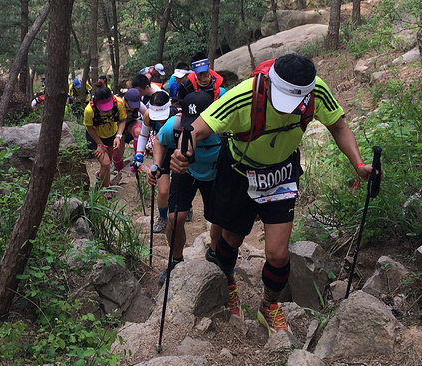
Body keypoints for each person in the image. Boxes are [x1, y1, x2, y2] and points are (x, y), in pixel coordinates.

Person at [171, 53, 375, 333]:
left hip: (281, 171)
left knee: (278, 255)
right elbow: (198, 127)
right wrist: (185, 149)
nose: (289, 110)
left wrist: (359, 163)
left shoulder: (317, 92)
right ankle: (228, 283)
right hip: (240, 171)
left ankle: (270, 306)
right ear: (270, 83)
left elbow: (338, 125)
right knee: (231, 239)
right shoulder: (244, 95)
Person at [153, 91, 225, 290]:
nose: (192, 127)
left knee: (218, 218)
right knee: (175, 218)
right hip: (185, 171)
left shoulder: (225, 127)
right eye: (189, 121)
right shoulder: (175, 125)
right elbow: (160, 140)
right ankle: (176, 261)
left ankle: (213, 252)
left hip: (216, 173)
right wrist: (158, 165)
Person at [132, 91, 174, 232]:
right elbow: (144, 134)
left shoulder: (177, 113)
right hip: (161, 151)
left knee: (181, 185)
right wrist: (139, 154)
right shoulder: (148, 115)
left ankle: (187, 207)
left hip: (179, 149)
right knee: (163, 191)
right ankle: (163, 217)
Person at [84, 86, 126, 190]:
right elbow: (90, 128)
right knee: (106, 163)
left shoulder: (119, 103)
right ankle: (106, 187)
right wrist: (100, 144)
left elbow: (122, 120)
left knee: (108, 162)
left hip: (111, 134)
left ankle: (100, 175)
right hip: (95, 137)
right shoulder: (89, 110)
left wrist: (118, 136)